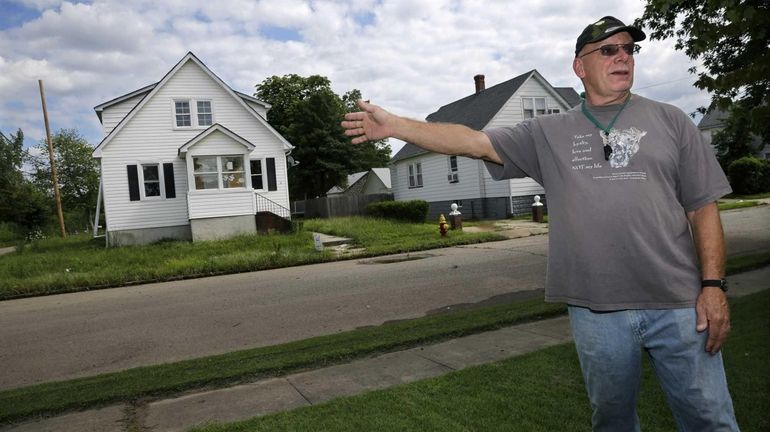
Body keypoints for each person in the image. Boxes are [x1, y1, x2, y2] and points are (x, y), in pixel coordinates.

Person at [342, 16, 739, 432]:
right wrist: (394, 126)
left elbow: (702, 208)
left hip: (678, 303)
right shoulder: (548, 132)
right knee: (613, 422)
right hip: (595, 308)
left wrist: (713, 287)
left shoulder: (671, 121)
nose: (622, 56)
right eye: (608, 50)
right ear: (580, 67)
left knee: (710, 418)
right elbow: (472, 141)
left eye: (628, 49)